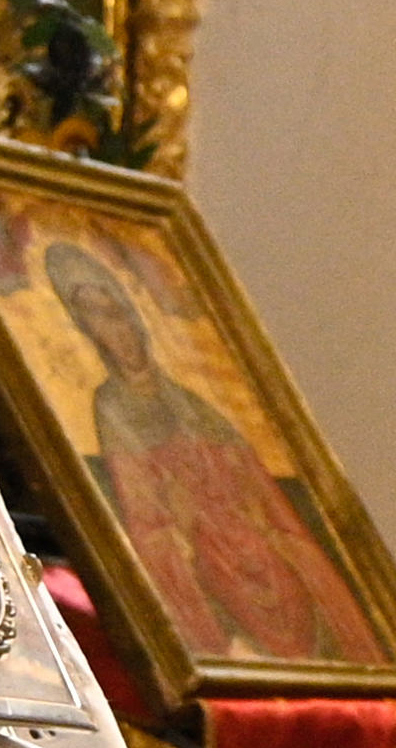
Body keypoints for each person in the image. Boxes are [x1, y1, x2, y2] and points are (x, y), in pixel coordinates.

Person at [47, 235, 359, 665]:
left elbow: (263, 495)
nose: (115, 327)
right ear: (85, 331)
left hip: (250, 540)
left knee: (285, 578)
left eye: (117, 311)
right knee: (225, 574)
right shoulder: (109, 406)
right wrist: (186, 527)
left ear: (135, 316)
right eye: (96, 317)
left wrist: (249, 519)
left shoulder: (194, 400)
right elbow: (144, 518)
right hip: (198, 549)